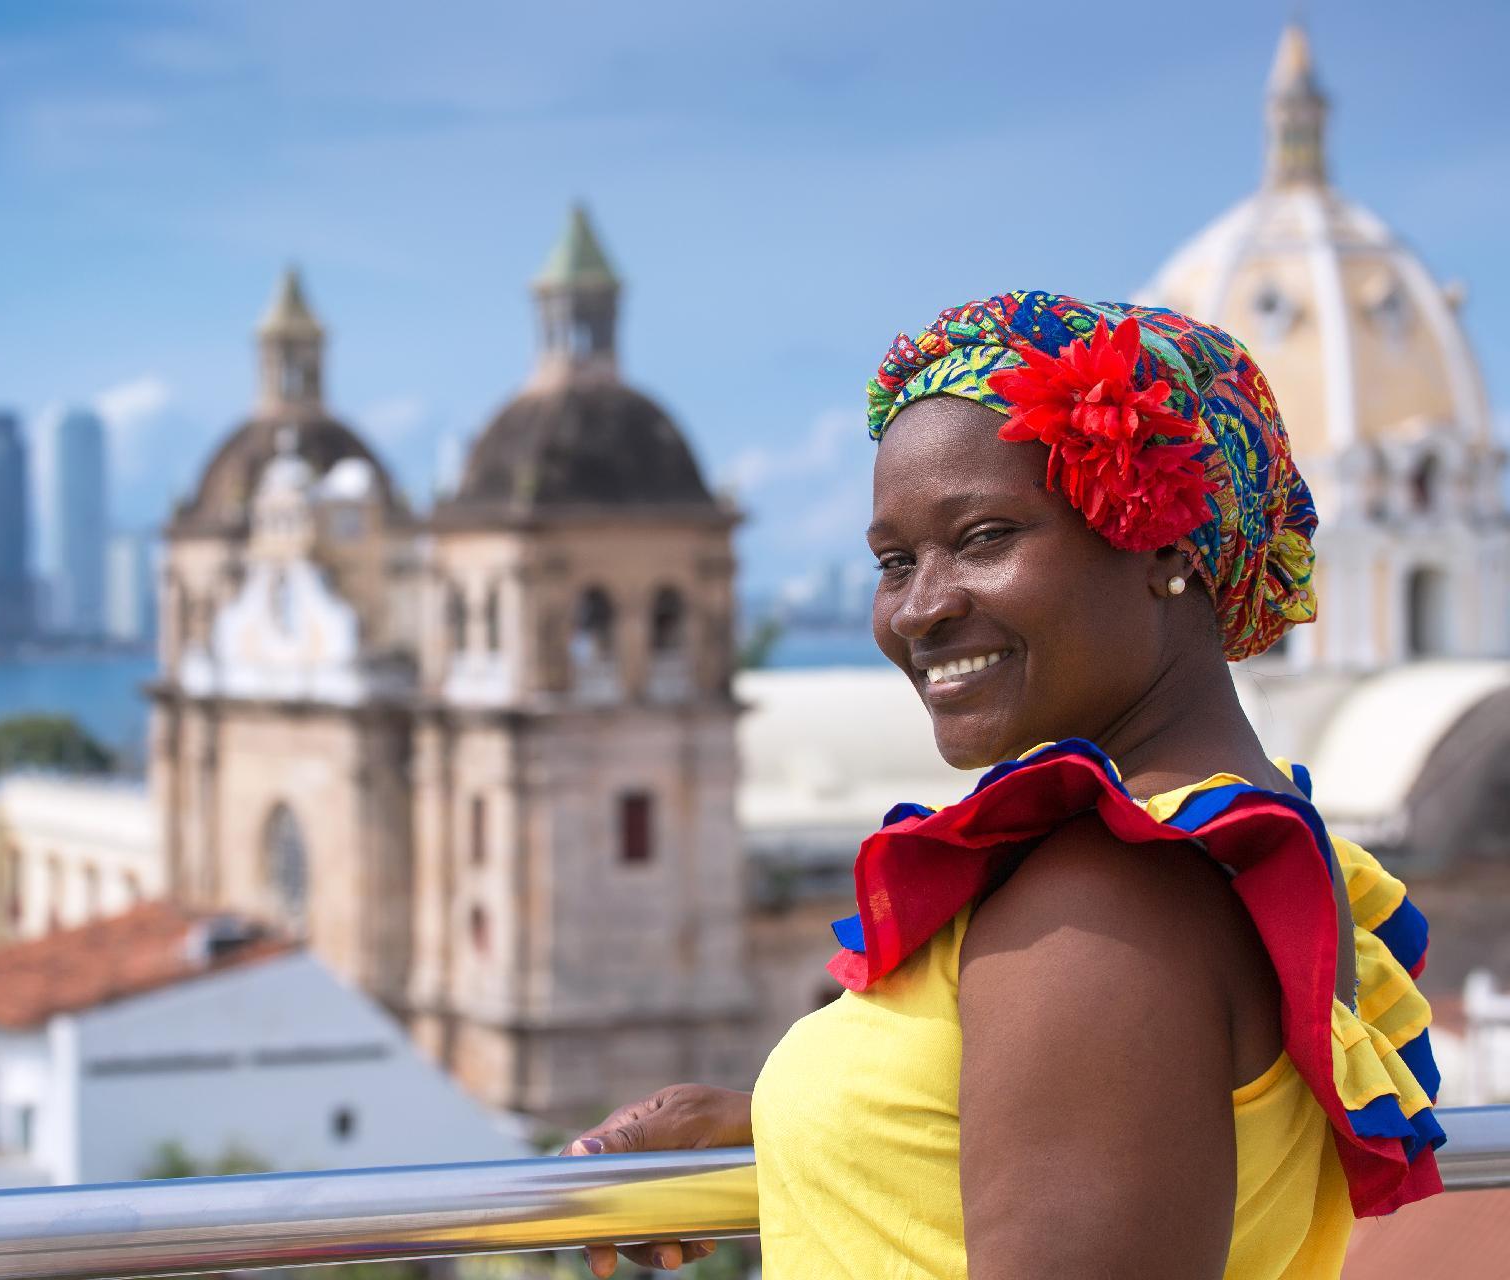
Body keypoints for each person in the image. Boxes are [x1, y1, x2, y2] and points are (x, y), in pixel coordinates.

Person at [568, 292, 1442, 1278]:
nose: (920, 607)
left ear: (1162, 546)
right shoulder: (1235, 847)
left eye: (984, 535)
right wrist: (796, 1127)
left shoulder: (1101, 907)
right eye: (895, 561)